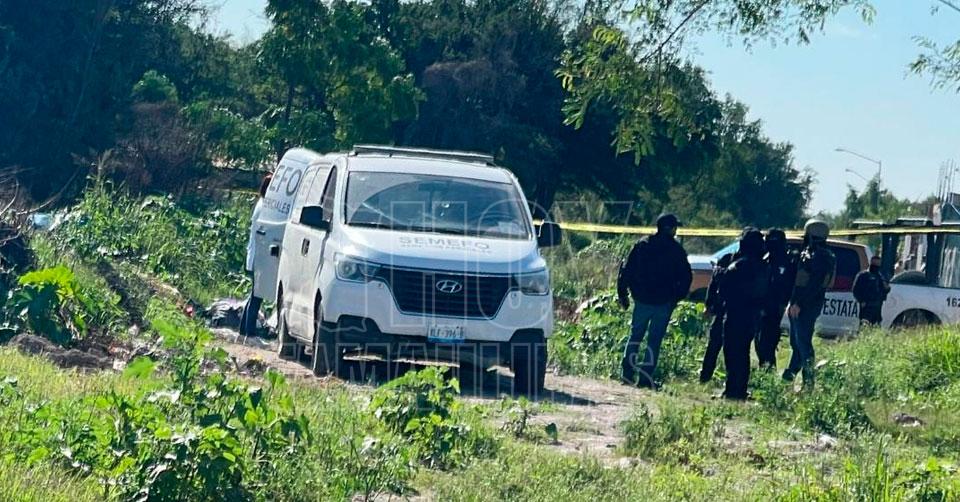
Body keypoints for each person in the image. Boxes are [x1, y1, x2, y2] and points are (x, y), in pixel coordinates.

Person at [617, 213, 693, 389]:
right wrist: (676, 298)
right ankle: (645, 379)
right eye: (675, 227)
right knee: (654, 341)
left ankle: (627, 374)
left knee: (635, 336)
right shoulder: (676, 250)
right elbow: (686, 277)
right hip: (663, 302)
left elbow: (626, 270)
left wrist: (623, 293)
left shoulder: (642, 245)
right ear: (670, 229)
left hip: (642, 300)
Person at [783, 219, 836, 389]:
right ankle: (789, 377)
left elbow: (814, 283)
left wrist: (799, 303)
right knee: (797, 344)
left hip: (807, 305)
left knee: (804, 344)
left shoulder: (821, 256)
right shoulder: (812, 253)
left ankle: (808, 384)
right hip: (800, 304)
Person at [717, 228, 769, 400]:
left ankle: (732, 390)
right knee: (743, 353)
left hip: (735, 314)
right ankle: (740, 390)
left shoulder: (738, 266)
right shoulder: (763, 267)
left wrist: (719, 275)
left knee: (732, 352)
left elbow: (724, 288)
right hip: (752, 316)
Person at [755, 228, 797, 370]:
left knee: (767, 341)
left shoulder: (788, 261)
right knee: (760, 340)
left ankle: (768, 370)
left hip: (775, 307)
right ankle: (765, 368)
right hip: (762, 305)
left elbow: (788, 285)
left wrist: (782, 303)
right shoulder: (766, 259)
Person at [240, 173, 272, 337]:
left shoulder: (261, 204)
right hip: (258, 258)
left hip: (255, 256)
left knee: (254, 295)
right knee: (256, 296)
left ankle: (244, 329)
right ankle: (249, 331)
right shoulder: (264, 207)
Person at [699, 250, 734, 383]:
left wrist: (709, 305)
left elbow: (713, 285)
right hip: (733, 312)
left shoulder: (727, 259)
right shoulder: (747, 262)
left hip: (722, 310)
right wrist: (709, 305)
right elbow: (713, 285)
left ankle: (705, 376)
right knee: (730, 348)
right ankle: (729, 380)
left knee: (714, 345)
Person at [852, 256, 890, 326]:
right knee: (864, 325)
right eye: (875, 264)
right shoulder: (863, 275)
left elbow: (886, 290)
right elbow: (855, 290)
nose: (876, 267)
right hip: (866, 305)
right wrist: (861, 301)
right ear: (871, 263)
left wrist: (886, 287)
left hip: (877, 306)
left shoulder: (881, 276)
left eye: (878, 264)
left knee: (875, 326)